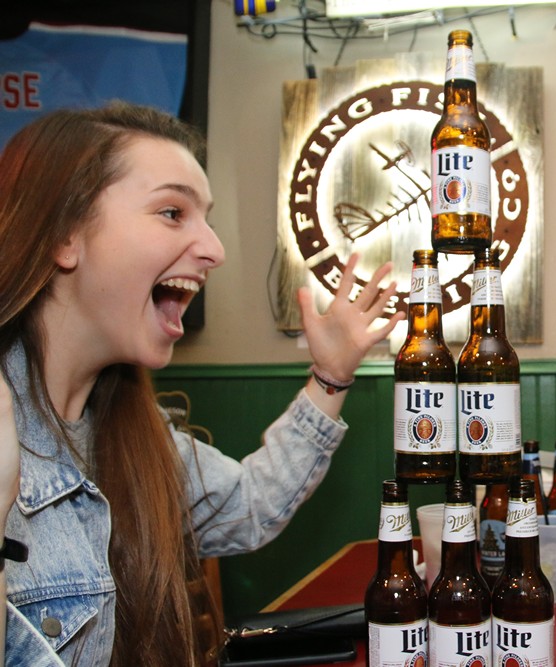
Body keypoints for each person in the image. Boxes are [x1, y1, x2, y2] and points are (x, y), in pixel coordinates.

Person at [0, 102, 405, 666]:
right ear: (64, 235)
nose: (214, 249)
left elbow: (248, 506)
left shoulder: (133, 434)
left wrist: (331, 375)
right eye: (172, 212)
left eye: (206, 217)